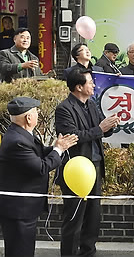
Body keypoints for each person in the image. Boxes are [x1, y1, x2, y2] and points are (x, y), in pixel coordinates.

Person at [0, 97, 78, 257]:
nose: (38, 114)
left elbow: (38, 153)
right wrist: (58, 150)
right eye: (36, 112)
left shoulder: (21, 134)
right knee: (20, 251)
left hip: (25, 208)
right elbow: (40, 167)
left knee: (24, 248)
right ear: (28, 118)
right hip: (19, 210)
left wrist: (56, 147)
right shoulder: (17, 141)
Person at [55, 68, 120, 256]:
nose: (93, 85)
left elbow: (100, 129)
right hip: (75, 170)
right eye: (90, 82)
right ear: (78, 87)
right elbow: (74, 136)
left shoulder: (91, 104)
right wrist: (100, 128)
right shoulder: (64, 109)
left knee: (93, 216)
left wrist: (110, 126)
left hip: (95, 166)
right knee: (74, 218)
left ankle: (88, 252)